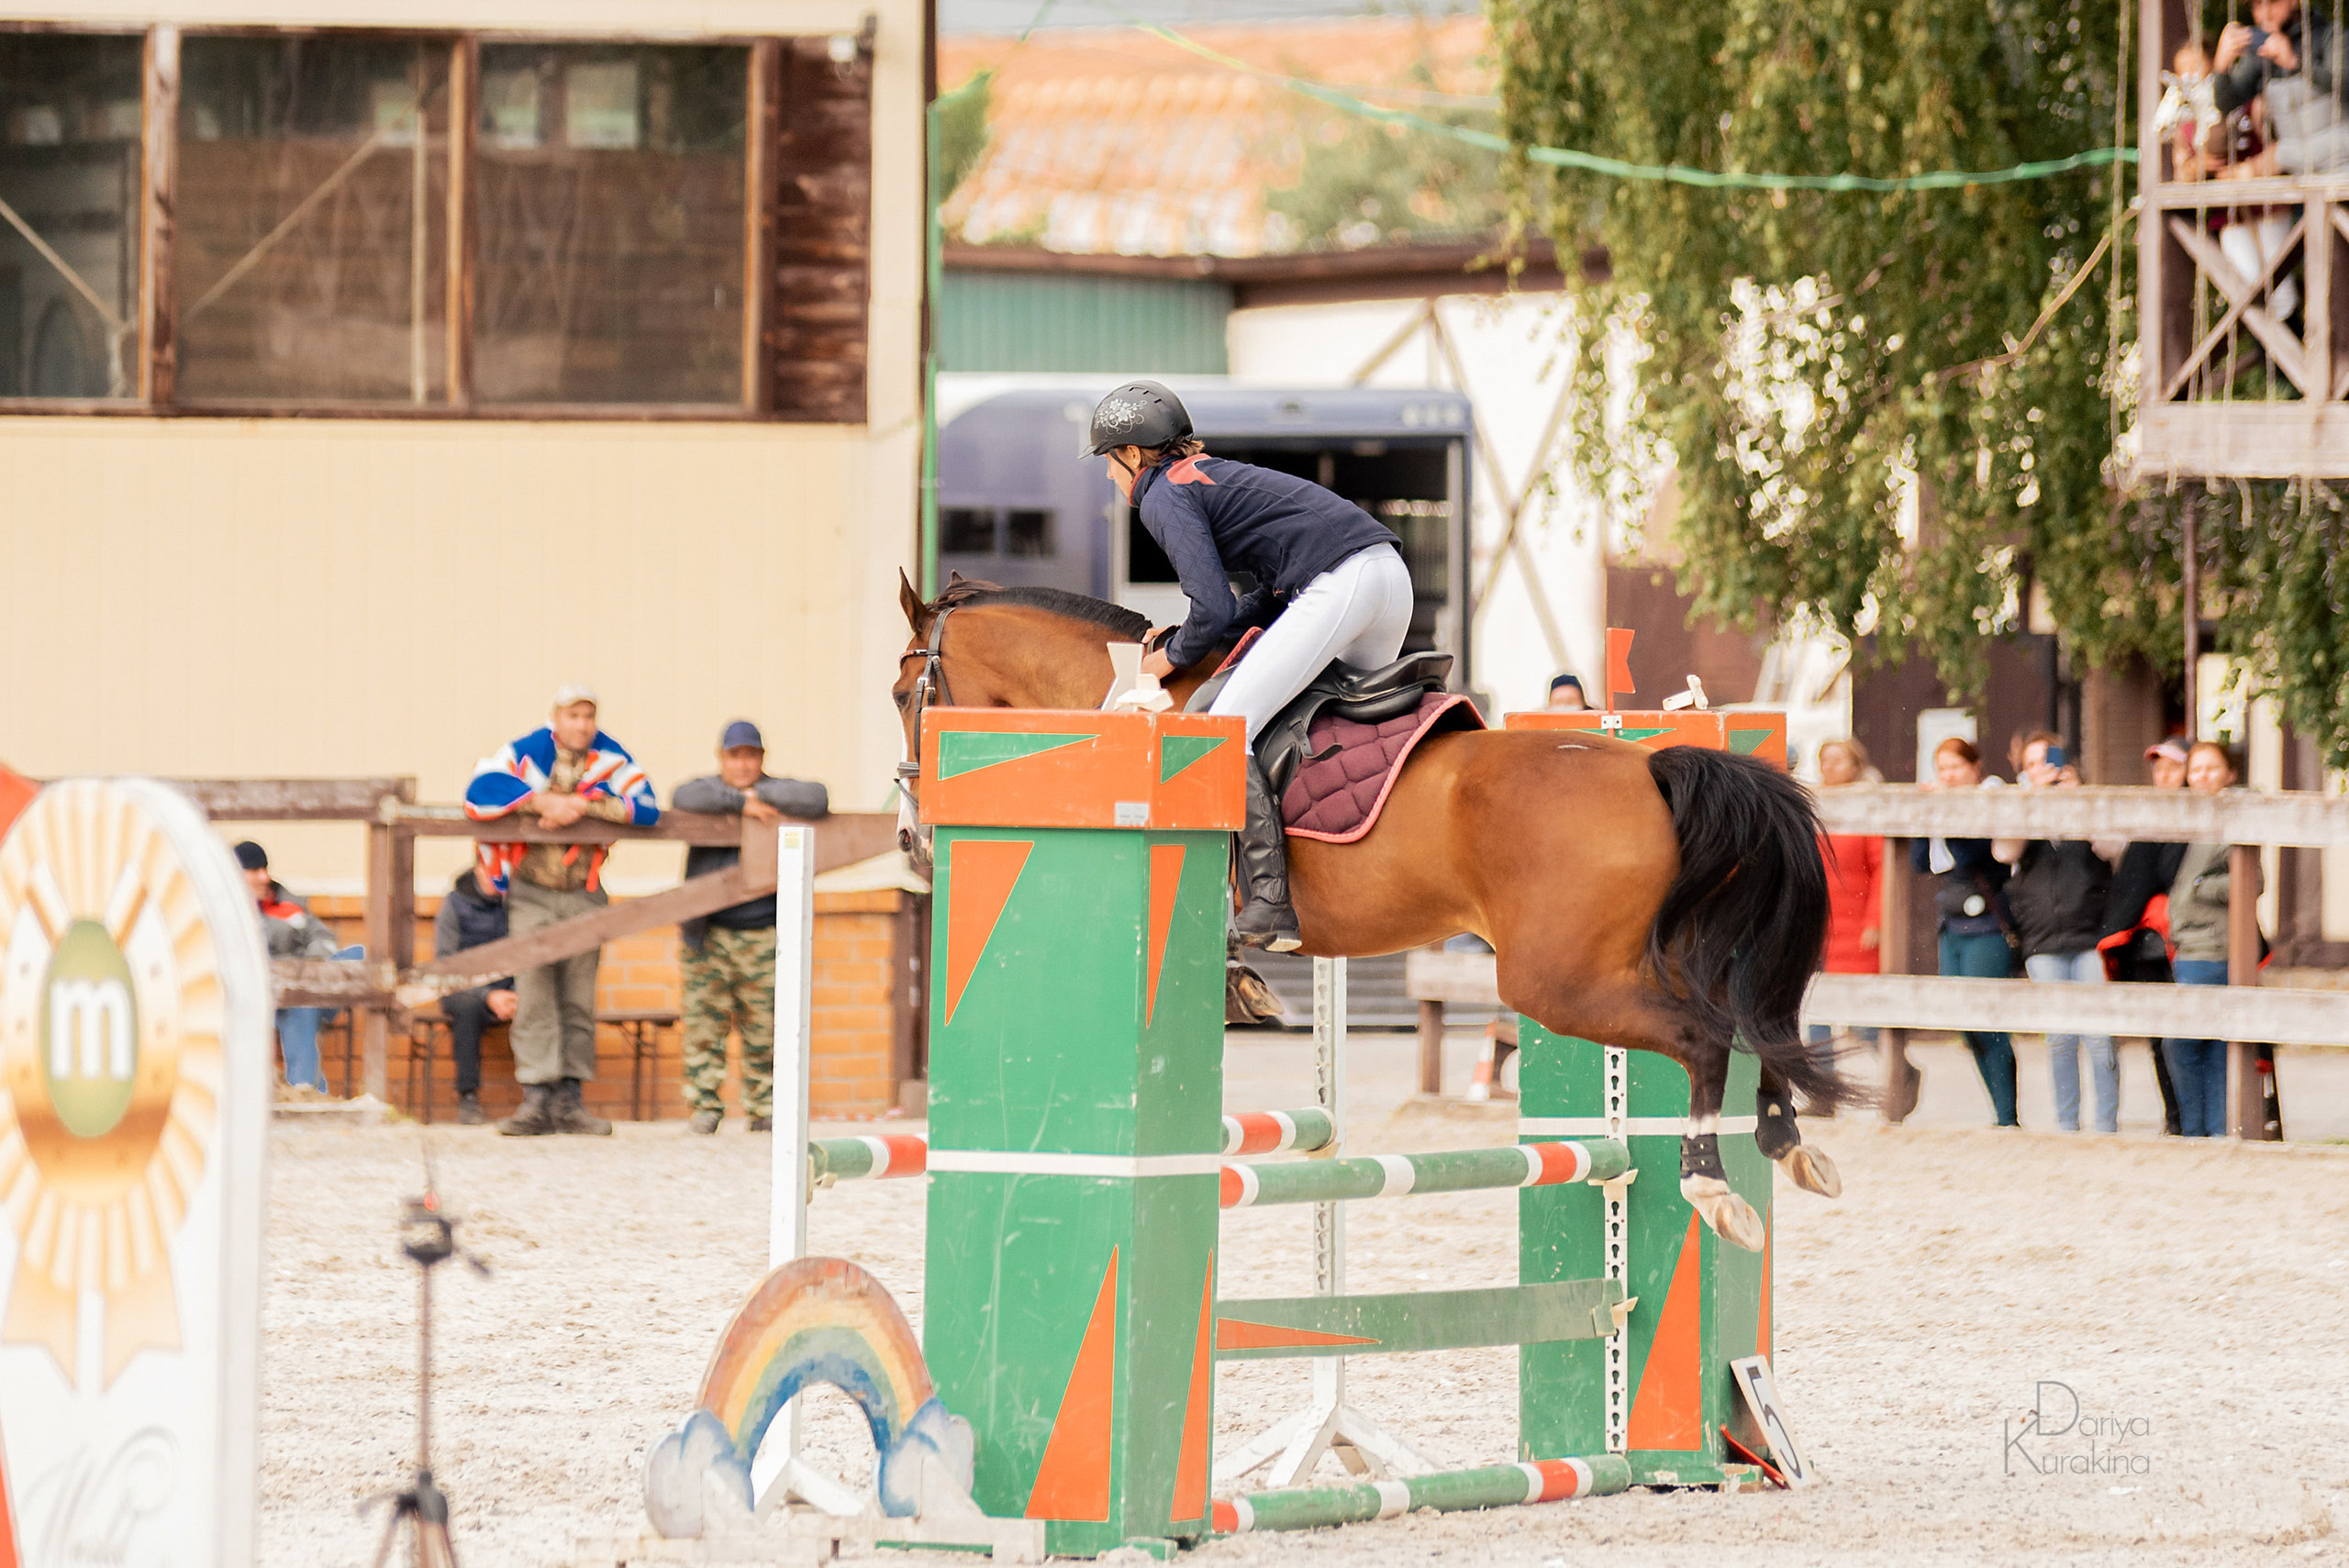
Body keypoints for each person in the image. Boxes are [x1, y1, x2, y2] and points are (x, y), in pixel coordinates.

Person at [1092, 379, 1410, 952]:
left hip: (1344, 583)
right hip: (1388, 580)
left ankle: (1268, 900)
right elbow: (1267, 595)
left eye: (1108, 463)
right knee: (1327, 721)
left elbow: (1210, 609)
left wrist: (1166, 659)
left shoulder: (1162, 494)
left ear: (1133, 454)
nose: (1109, 477)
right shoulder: (1213, 476)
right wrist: (1189, 638)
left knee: (1224, 725)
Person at [465, 683, 659, 1138]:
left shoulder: (612, 759)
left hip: (584, 891)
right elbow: (480, 789)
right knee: (533, 992)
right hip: (531, 889)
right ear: (556, 718)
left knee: (577, 995)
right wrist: (541, 801)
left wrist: (585, 804)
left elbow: (646, 807)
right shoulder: (527, 753)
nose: (582, 725)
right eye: (573, 716)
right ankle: (536, 1098)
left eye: (589, 716)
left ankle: (570, 1100)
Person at [672, 719, 829, 1136]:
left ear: (761, 759)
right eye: (734, 756)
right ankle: (704, 1108)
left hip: (764, 933)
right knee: (704, 1029)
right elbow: (683, 795)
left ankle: (764, 1108)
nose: (742, 764)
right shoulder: (706, 793)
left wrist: (756, 795)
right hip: (708, 935)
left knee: (766, 1028)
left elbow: (816, 797)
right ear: (720, 758)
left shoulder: (775, 792)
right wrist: (739, 804)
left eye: (750, 755)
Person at [1995, 732, 2120, 1134]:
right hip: (2043, 940)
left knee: (2100, 1038)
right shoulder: (2021, 808)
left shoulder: (2088, 802)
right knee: (2060, 1038)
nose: (2042, 771)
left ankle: (2105, 1126)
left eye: (2048, 761)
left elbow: (2112, 847)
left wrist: (2077, 800)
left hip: (2090, 936)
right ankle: (2067, 1125)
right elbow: (2004, 852)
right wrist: (2033, 802)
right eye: (2032, 765)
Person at [1910, 737, 2020, 1127]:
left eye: (1955, 767)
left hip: (1987, 919)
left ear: (1976, 767)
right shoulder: (1946, 802)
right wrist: (1928, 813)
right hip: (1952, 920)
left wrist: (1945, 808)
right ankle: (1999, 1112)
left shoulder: (1989, 798)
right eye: (1942, 768)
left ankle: (2008, 1116)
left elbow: (1970, 851)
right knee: (1963, 1021)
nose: (1948, 776)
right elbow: (1921, 861)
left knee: (1987, 1018)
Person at [2161, 741, 2256, 1139]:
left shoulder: (2235, 816)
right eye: (2195, 769)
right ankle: (2210, 1131)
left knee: (2190, 1046)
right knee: (2204, 1046)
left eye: (2211, 768)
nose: (2201, 776)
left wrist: (2202, 886)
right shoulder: (2187, 819)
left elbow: (2254, 880)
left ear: (2229, 774)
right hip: (2188, 945)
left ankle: (2205, 1132)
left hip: (2212, 946)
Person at [2101, 737, 2193, 1134]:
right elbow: (2133, 884)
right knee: (2159, 1038)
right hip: (2148, 946)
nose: (2164, 775)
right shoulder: (2147, 820)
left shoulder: (2201, 816)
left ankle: (2200, 1120)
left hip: (2189, 942)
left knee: (2191, 1038)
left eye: (2173, 767)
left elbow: (2173, 876)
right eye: (2159, 767)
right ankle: (2174, 1118)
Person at [238, 840, 359, 1093]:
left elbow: (324, 938)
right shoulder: (229, 913)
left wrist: (308, 968)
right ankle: (309, 1091)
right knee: (300, 1000)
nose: (264, 877)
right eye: (255, 870)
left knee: (360, 954)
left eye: (265, 869)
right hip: (268, 997)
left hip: (309, 979)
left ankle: (307, 1089)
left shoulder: (288, 903)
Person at [1809, 739, 1884, 1070]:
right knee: (1816, 1007)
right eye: (1825, 760)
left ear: (1856, 765)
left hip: (1856, 924)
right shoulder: (1812, 805)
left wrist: (1875, 921)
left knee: (1865, 1014)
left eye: (1838, 760)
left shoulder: (1868, 806)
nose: (1830, 767)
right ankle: (1822, 1089)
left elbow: (1883, 869)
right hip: (1818, 924)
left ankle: (1895, 1075)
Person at [2213, 0, 2349, 181]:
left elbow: (2343, 85)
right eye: (2256, 6)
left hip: (2343, 173)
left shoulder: (2331, 35)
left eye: (2272, 2)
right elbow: (2226, 104)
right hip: (2303, 181)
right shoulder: (2259, 53)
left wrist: (2296, 63)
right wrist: (2221, 67)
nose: (2264, 13)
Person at [431, 866, 517, 1126]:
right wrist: (487, 995)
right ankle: (467, 1097)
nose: (496, 878)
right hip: (461, 989)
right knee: (467, 1010)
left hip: (510, 990)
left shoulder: (517, 903)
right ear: (479, 869)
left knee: (542, 1003)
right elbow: (445, 965)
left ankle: (547, 1095)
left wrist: (516, 995)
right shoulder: (455, 904)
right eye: (490, 872)